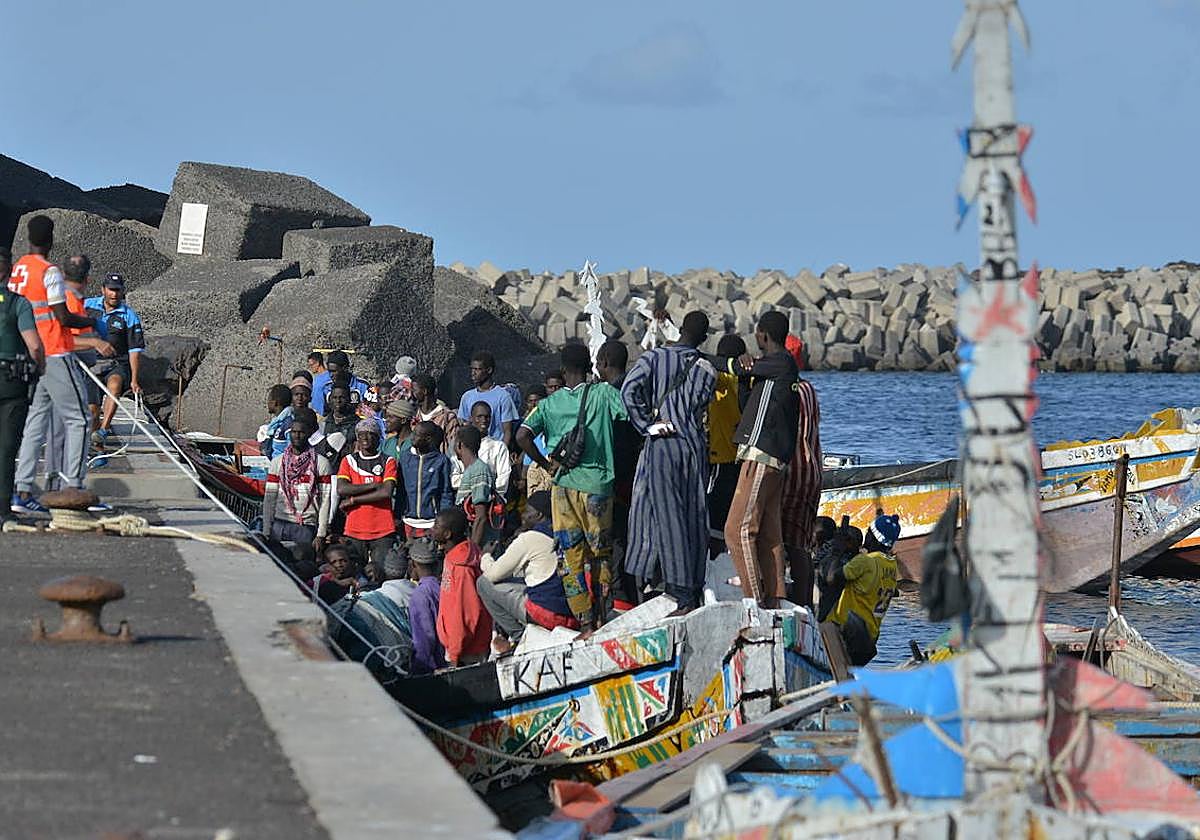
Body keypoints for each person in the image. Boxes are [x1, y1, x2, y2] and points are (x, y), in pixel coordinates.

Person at [517, 343, 629, 631]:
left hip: (563, 487)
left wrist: (545, 464)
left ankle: (586, 623)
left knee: (571, 556)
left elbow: (522, 436)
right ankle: (604, 615)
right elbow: (628, 417)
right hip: (597, 487)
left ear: (564, 370)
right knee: (601, 553)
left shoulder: (548, 404)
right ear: (589, 367)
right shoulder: (603, 393)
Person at [620, 312, 717, 613]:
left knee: (665, 515)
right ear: (703, 337)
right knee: (693, 515)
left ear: (680, 330)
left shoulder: (654, 358)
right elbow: (700, 406)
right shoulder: (707, 369)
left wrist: (646, 424)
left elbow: (628, 391)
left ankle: (678, 591)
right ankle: (692, 583)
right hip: (694, 448)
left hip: (663, 443)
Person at [10, 215, 102, 516]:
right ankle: (72, 486)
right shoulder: (49, 272)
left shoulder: (18, 269)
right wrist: (91, 321)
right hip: (55, 351)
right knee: (79, 419)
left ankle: (22, 490)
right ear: (51, 240)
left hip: (29, 354)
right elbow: (62, 317)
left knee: (36, 422)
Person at [718, 311, 800, 609]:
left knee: (736, 531)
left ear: (763, 335)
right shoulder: (773, 369)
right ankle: (777, 598)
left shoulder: (780, 363)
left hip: (762, 456)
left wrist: (708, 359)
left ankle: (755, 603)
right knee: (768, 533)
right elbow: (746, 395)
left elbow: (735, 370)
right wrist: (744, 367)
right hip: (772, 458)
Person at [477, 490, 576, 653]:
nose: (523, 515)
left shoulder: (529, 538)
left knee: (483, 583)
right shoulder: (563, 533)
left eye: (527, 511)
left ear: (538, 515)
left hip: (545, 614)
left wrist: (485, 556)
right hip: (569, 612)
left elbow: (493, 574)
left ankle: (518, 636)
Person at [45, 255, 115, 481]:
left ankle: (56, 476)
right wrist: (95, 342)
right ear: (87, 278)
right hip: (68, 367)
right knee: (78, 421)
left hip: (78, 367)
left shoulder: (73, 300)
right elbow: (62, 340)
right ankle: (72, 480)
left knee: (59, 423)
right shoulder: (69, 302)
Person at [595, 339, 642, 606]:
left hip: (618, 480)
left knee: (617, 542)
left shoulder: (610, 395)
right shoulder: (634, 389)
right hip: (634, 476)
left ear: (605, 362)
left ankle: (622, 599)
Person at [0, 247, 44, 525]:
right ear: (10, 272)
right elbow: (35, 345)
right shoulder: (18, 303)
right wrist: (39, 369)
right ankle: (3, 512)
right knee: (6, 448)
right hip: (11, 383)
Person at [781, 335, 823, 606]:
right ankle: (806, 603)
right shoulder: (808, 389)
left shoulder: (788, 389)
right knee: (802, 544)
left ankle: (794, 603)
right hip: (813, 471)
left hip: (793, 473)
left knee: (788, 543)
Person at [828, 514, 900, 666]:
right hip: (870, 638)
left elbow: (832, 578)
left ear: (872, 537)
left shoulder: (866, 561)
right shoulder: (892, 566)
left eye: (868, 532)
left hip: (851, 634)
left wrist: (837, 549)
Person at [85, 273, 145, 448]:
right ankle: (97, 446)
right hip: (90, 364)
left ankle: (104, 430)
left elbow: (135, 350)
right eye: (111, 290)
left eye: (118, 290)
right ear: (103, 289)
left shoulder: (129, 316)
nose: (114, 294)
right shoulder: (87, 305)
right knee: (93, 411)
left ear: (123, 291)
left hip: (115, 364)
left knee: (115, 384)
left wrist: (134, 380)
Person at [261, 408, 330, 553]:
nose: (297, 436)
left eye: (301, 432)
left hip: (305, 526)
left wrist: (321, 534)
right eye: (293, 432)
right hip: (279, 524)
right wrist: (266, 530)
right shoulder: (277, 462)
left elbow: (325, 501)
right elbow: (269, 498)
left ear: (309, 434)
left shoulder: (321, 463)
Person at [432, 507, 492, 667]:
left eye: (436, 526)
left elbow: (464, 612)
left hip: (467, 650)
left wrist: (454, 654)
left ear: (447, 534)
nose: (432, 529)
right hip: (461, 645)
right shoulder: (456, 557)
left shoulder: (461, 568)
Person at [336, 419, 398, 571]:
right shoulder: (349, 460)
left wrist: (354, 499)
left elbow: (386, 492)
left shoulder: (388, 461)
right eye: (361, 434)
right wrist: (373, 485)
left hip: (383, 528)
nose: (365, 438)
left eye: (370, 434)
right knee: (355, 573)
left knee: (381, 573)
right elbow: (342, 489)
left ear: (378, 438)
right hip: (355, 527)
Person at [707, 335, 745, 558]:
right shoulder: (745, 379)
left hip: (718, 455)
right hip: (739, 457)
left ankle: (714, 556)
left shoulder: (718, 378)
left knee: (715, 512)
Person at [397, 421, 454, 541]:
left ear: (428, 438)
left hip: (431, 522)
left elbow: (445, 493)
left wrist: (443, 520)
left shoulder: (441, 461)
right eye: (413, 433)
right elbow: (401, 490)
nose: (412, 437)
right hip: (408, 520)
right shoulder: (405, 457)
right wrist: (397, 514)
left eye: (417, 434)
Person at [457, 351, 519, 445]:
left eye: (477, 369)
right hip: (473, 450)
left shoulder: (503, 396)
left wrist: (502, 452)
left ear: (489, 370)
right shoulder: (467, 397)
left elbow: (507, 431)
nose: (473, 373)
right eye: (472, 369)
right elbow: (464, 426)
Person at [453, 401, 511, 500]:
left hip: (491, 501)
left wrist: (484, 489)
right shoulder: (459, 445)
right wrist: (480, 480)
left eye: (487, 417)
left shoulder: (499, 447)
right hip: (463, 501)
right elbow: (453, 480)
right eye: (479, 416)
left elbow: (503, 480)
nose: (483, 420)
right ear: (471, 418)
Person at [407, 537, 447, 673]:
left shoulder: (419, 595)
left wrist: (418, 669)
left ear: (413, 564)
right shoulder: (446, 586)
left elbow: (424, 638)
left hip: (438, 666)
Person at [454, 425, 497, 548]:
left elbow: (481, 517)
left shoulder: (479, 471)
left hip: (482, 545)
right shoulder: (472, 469)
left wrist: (472, 551)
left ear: (459, 445)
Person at [411, 373, 459, 455]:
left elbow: (453, 445)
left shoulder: (447, 417)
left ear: (425, 391)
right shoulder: (415, 415)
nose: (411, 394)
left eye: (414, 390)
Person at [312, 350, 368, 416]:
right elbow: (324, 414)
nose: (331, 375)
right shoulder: (327, 388)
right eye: (329, 371)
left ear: (344, 368)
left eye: (334, 371)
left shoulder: (362, 386)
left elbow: (369, 413)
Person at [258, 384, 294, 459]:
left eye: (269, 400)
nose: (267, 403)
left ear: (275, 403)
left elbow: (291, 450)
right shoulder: (276, 423)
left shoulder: (288, 423)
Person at [380, 397, 416, 462]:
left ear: (403, 420)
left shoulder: (416, 443)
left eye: (390, 417)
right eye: (386, 417)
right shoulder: (386, 444)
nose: (386, 420)